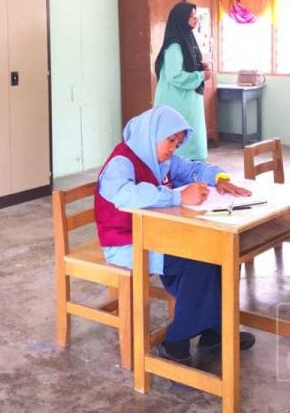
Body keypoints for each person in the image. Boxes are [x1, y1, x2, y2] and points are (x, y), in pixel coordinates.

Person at [94, 106, 255, 365]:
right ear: (151, 133)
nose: (173, 148)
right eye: (170, 140)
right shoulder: (122, 162)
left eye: (177, 143)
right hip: (125, 242)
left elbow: (193, 169)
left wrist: (219, 178)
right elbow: (125, 195)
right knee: (197, 262)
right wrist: (176, 196)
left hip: (157, 235)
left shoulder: (162, 159)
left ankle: (213, 334)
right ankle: (175, 342)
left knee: (217, 254)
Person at [154, 2, 211, 162]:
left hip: (187, 103)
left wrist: (200, 66)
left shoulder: (187, 39)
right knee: (181, 145)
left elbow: (189, 63)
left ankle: (193, 172)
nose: (195, 19)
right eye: (191, 16)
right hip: (176, 103)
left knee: (192, 141)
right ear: (181, 19)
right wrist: (200, 76)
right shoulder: (174, 45)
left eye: (195, 15)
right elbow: (174, 75)